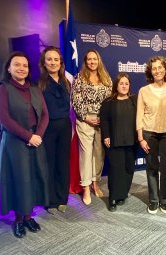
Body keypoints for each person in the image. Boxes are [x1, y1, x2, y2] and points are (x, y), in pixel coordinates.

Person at [0, 51, 49, 238]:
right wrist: (29, 137)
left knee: (33, 179)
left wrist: (38, 136)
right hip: (15, 143)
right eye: (17, 64)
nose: (22, 68)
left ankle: (28, 216)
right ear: (9, 68)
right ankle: (18, 220)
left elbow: (45, 115)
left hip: (35, 141)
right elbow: (4, 119)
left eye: (25, 65)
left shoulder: (35, 89)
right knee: (20, 180)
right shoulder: (4, 88)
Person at [71, 49, 112, 205]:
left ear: (98, 60)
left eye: (95, 59)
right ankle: (86, 187)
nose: (92, 62)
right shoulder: (79, 78)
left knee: (99, 154)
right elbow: (76, 100)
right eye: (89, 59)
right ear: (85, 61)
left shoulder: (106, 78)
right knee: (86, 154)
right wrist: (87, 117)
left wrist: (104, 118)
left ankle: (95, 182)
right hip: (85, 121)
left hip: (102, 122)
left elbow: (110, 100)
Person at [136, 56, 166, 214]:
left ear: (165, 69)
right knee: (152, 168)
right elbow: (139, 115)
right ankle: (153, 200)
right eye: (154, 68)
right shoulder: (143, 91)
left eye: (160, 67)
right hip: (149, 133)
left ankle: (164, 200)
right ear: (150, 72)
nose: (157, 70)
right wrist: (140, 138)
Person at [38, 46, 71, 214]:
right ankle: (50, 200)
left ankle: (62, 198)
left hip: (65, 126)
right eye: (49, 59)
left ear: (61, 62)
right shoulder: (39, 83)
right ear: (44, 62)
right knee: (49, 163)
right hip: (47, 128)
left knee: (63, 163)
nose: (53, 62)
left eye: (56, 59)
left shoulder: (66, 81)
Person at [100, 73, 137, 212]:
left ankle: (123, 195)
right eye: (121, 83)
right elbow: (104, 120)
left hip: (131, 141)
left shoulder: (135, 100)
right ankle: (113, 198)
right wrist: (106, 136)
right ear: (116, 85)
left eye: (126, 83)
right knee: (115, 170)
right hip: (114, 142)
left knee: (128, 169)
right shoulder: (109, 102)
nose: (124, 86)